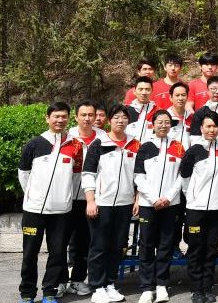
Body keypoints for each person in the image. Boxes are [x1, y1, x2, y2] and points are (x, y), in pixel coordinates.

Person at [18, 102, 84, 303]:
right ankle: (27, 293)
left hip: (61, 211)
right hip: (34, 210)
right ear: (47, 118)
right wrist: (32, 196)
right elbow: (23, 174)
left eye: (64, 116)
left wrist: (65, 198)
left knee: (57, 253)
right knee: (30, 253)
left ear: (68, 119)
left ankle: (50, 291)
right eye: (56, 116)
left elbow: (76, 177)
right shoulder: (34, 144)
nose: (60, 120)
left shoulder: (76, 145)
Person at [83, 104, 141, 303]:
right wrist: (90, 200)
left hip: (125, 204)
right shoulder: (99, 143)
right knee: (99, 246)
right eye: (116, 117)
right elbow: (88, 173)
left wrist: (137, 198)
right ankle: (97, 286)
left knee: (117, 246)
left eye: (123, 117)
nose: (120, 121)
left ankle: (110, 283)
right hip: (102, 203)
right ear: (109, 120)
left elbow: (139, 175)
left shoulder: (135, 144)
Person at [180, 112, 218, 303]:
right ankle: (196, 289)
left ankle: (207, 287)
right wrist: (192, 197)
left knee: (211, 249)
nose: (212, 130)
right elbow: (184, 177)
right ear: (201, 128)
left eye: (215, 126)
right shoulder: (194, 150)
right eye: (208, 126)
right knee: (196, 248)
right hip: (196, 209)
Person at [134, 110, 185, 303]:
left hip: (171, 204)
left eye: (167, 122)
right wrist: (154, 198)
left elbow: (182, 176)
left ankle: (162, 284)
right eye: (159, 122)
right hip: (149, 204)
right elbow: (139, 176)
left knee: (166, 244)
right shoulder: (146, 146)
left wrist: (168, 198)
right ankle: (147, 287)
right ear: (153, 125)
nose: (163, 125)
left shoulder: (178, 147)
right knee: (147, 245)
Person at [59, 101, 108, 297]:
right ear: (76, 117)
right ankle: (60, 280)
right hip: (66, 196)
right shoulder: (67, 137)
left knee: (85, 241)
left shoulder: (103, 138)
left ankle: (78, 280)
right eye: (83, 115)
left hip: (91, 198)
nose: (87, 119)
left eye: (91, 115)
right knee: (60, 242)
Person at [189, 76, 218, 143]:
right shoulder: (200, 113)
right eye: (213, 88)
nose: (217, 91)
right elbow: (195, 137)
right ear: (207, 91)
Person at [125, 77, 159, 143]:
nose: (144, 92)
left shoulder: (158, 112)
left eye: (147, 89)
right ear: (134, 91)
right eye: (140, 89)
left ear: (152, 91)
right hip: (129, 148)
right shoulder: (126, 111)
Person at [166, 82, 194, 147]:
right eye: (177, 95)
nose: (180, 98)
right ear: (171, 97)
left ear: (187, 97)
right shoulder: (164, 117)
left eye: (183, 95)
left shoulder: (192, 117)